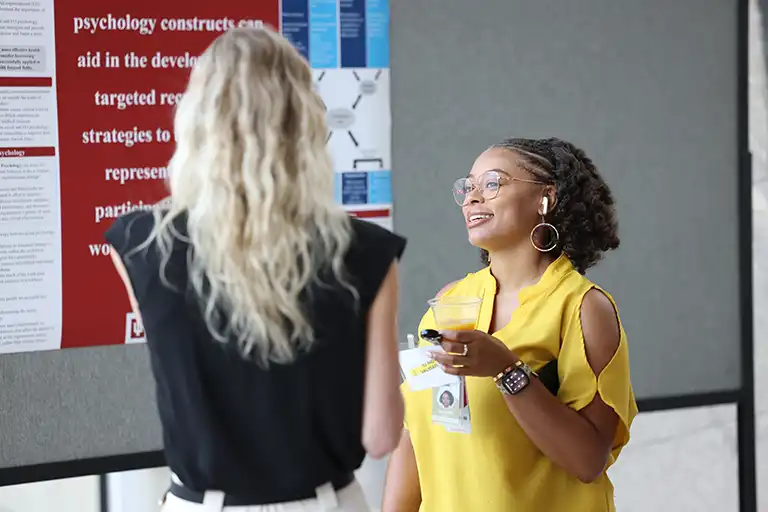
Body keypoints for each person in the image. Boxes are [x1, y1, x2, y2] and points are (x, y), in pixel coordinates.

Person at [105, 26, 406, 511]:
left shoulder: (140, 243)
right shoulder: (368, 251)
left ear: (197, 121)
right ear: (305, 123)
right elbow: (381, 435)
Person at [382, 138, 637, 512]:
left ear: (545, 198)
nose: (472, 198)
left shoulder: (583, 308)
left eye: (492, 183)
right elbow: (414, 437)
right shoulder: (448, 302)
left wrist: (506, 369)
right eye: (468, 187)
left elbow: (588, 461)